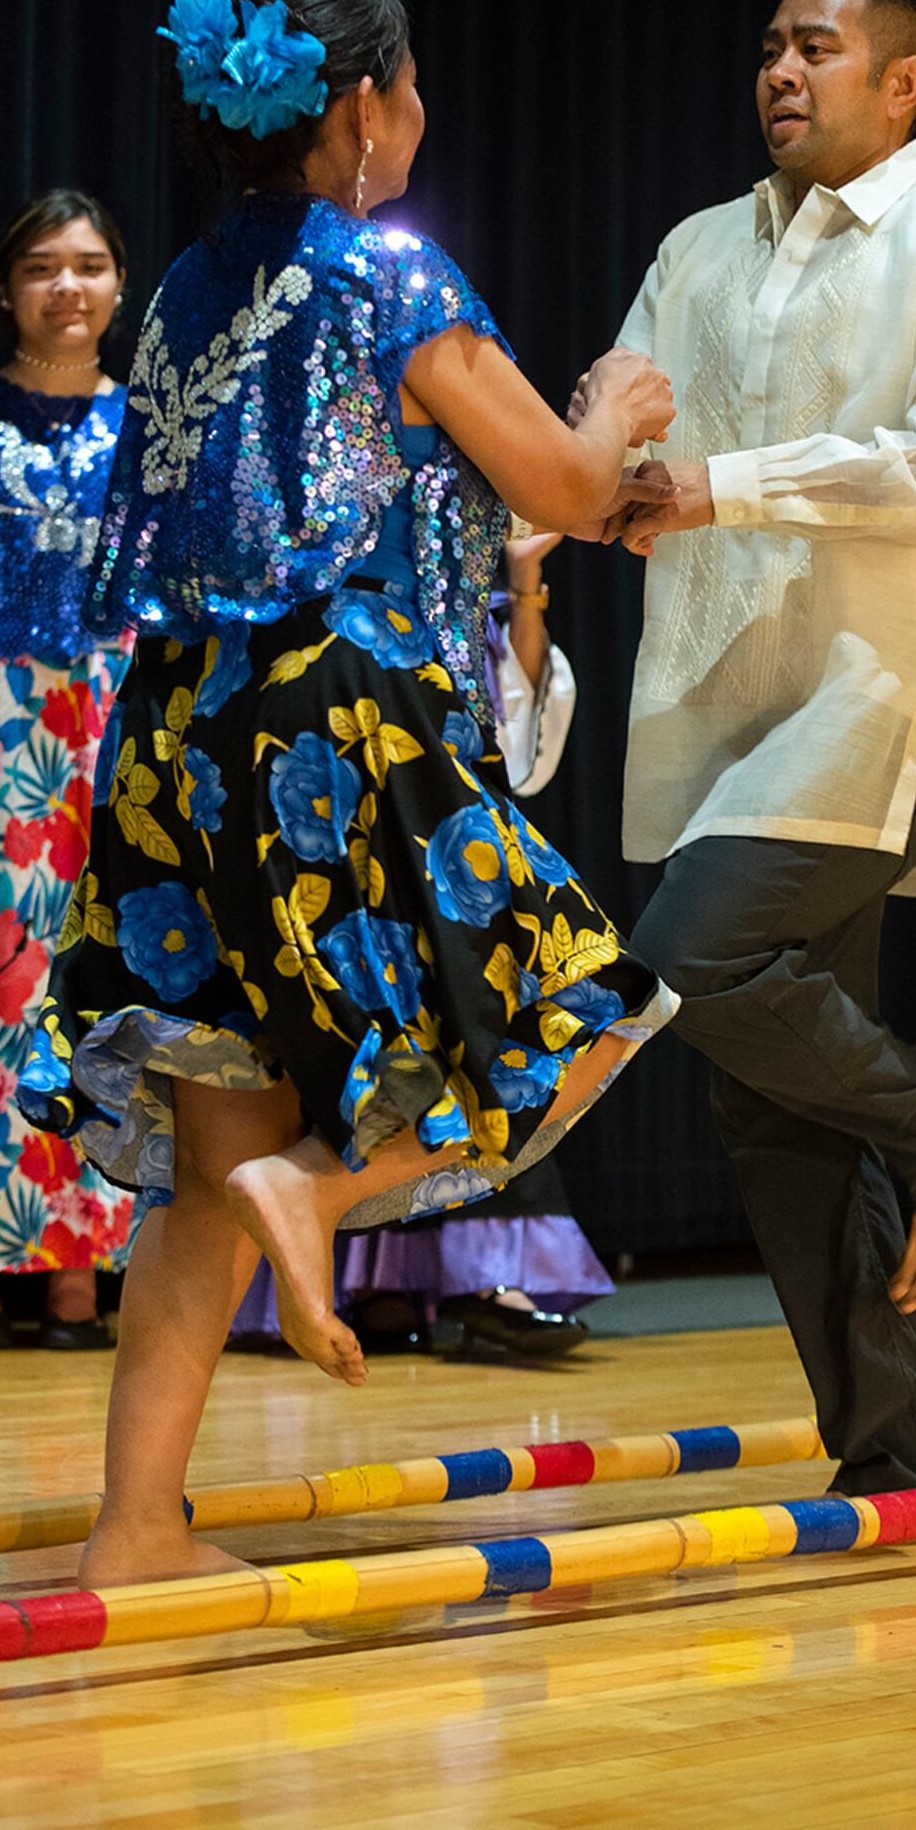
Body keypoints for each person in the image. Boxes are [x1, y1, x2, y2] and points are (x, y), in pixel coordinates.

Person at [16, 0, 676, 1586]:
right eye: (414, 86)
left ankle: (133, 1526)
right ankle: (321, 1193)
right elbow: (570, 485)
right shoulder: (384, 272)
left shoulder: (180, 287)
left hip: (176, 737)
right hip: (328, 730)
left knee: (207, 1137)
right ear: (368, 112)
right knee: (561, 1002)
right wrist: (615, 405)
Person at [602, 0, 916, 1494]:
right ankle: (894, 1445)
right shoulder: (697, 245)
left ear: (902, 80)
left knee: (683, 956)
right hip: (721, 702)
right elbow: (624, 419)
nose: (780, 74)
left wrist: (713, 486)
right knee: (778, 1109)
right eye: (770, 48)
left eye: (815, 48)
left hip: (873, 705)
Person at [229, 530, 612, 1356]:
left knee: (504, 1021)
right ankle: (356, 1260)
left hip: (420, 787)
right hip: (355, 772)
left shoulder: (456, 565)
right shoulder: (356, 542)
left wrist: (526, 581)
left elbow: (525, 743)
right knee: (400, 1031)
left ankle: (461, 1270)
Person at [0, 190, 136, 1347]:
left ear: (120, 286)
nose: (67, 287)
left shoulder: (145, 427)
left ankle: (81, 1262)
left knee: (78, 982)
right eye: (42, 267)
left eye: (89, 265)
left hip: (110, 718)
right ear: (7, 289)